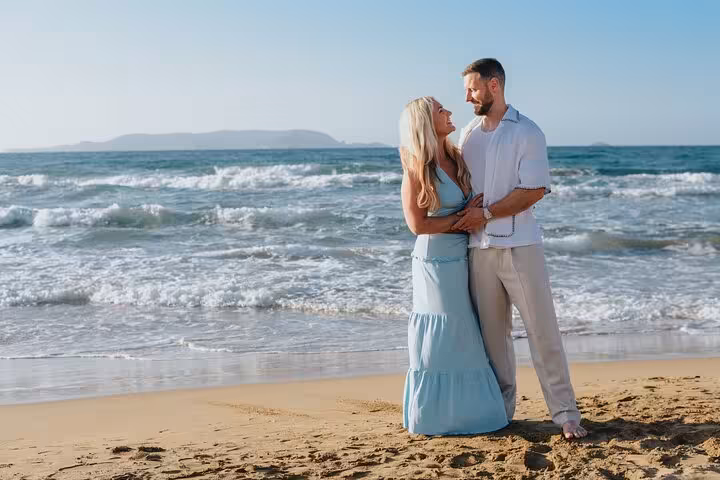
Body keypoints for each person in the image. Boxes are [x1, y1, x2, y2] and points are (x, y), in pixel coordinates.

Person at [453, 58, 588, 439]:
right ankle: (501, 411)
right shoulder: (469, 134)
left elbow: (533, 192)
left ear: (494, 86)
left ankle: (565, 414)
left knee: (542, 333)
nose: (468, 97)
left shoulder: (528, 132)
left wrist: (488, 213)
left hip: (521, 247)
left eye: (473, 89)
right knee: (493, 340)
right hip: (478, 251)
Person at [399, 96, 508, 435]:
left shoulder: (456, 156)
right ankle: (434, 416)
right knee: (445, 328)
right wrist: (462, 220)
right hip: (434, 260)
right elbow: (417, 226)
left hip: (462, 253)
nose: (448, 113)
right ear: (426, 123)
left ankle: (473, 414)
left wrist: (475, 213)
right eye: (440, 111)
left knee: (464, 329)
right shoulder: (418, 166)